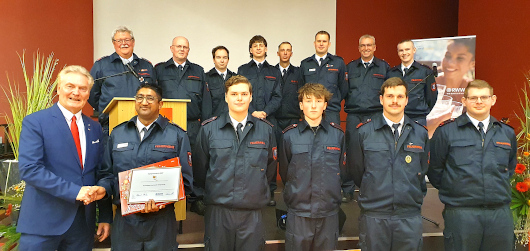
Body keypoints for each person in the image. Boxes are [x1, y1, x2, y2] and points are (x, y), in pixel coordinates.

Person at [18, 65, 112, 250]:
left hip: (82, 226)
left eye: (83, 88)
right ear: (59, 88)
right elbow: (30, 169)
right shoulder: (35, 122)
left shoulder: (94, 129)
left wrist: (105, 216)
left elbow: (101, 172)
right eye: (70, 86)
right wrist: (75, 192)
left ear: (88, 93)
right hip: (42, 224)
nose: (76, 92)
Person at [99, 83, 193, 250]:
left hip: (161, 221)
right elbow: (106, 175)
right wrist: (103, 205)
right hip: (125, 221)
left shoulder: (177, 135)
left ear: (160, 104)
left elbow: (186, 181)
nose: (144, 102)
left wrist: (162, 201)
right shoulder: (118, 133)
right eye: (140, 98)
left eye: (150, 98)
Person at [428, 80, 516, 251]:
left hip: (499, 214)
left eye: (484, 97)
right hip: (462, 214)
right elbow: (435, 171)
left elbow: (509, 168)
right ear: (464, 101)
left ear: (493, 99)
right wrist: (455, 190)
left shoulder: (506, 132)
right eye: (473, 97)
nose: (479, 101)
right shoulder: (446, 131)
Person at [193, 75, 277, 251]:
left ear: (251, 97)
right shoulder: (208, 129)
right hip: (218, 212)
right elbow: (200, 170)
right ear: (226, 97)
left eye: (244, 94)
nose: (239, 98)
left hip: (252, 212)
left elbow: (270, 169)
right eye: (234, 94)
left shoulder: (266, 130)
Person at [351, 77, 429, 250]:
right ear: (381, 99)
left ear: (407, 100)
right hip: (375, 215)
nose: (395, 101)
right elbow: (357, 171)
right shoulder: (364, 132)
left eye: (400, 96)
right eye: (390, 96)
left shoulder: (420, 133)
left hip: (408, 215)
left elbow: (422, 170)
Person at [279, 83, 346, 251]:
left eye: (318, 100)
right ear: (301, 105)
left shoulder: (338, 135)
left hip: (328, 214)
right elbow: (285, 172)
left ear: (325, 105)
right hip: (298, 214)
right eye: (308, 101)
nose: (314, 105)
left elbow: (342, 170)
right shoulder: (289, 136)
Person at [343, 34, 390, 202]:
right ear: (359, 48)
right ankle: (348, 188)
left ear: (375, 47)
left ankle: (373, 187)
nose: (366, 48)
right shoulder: (350, 67)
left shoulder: (384, 67)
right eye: (362, 45)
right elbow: (343, 90)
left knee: (375, 151)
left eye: (369, 45)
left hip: (376, 115)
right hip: (354, 115)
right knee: (352, 152)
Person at [89, 26, 156, 140]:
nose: (123, 43)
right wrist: (106, 108)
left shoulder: (146, 65)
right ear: (113, 43)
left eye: (127, 40)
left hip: (143, 124)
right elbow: (91, 94)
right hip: (111, 125)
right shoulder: (102, 65)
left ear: (133, 42)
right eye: (119, 41)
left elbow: (155, 93)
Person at [238, 35, 282, 207]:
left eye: (261, 45)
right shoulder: (242, 70)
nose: (258, 48)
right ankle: (248, 190)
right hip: (247, 119)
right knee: (249, 154)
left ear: (266, 49)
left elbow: (278, 97)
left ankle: (270, 191)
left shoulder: (274, 71)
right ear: (250, 50)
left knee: (270, 156)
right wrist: (251, 112)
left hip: (268, 119)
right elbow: (240, 93)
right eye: (255, 45)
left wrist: (265, 111)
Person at [155, 36, 207, 152]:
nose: (182, 49)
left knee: (192, 161)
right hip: (166, 124)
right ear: (171, 48)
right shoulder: (160, 70)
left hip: (192, 127)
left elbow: (205, 100)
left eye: (185, 47)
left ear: (188, 50)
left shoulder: (198, 70)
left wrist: (204, 126)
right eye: (179, 46)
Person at [300, 30, 347, 125]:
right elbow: (301, 88)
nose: (321, 44)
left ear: (329, 44)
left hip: (331, 111)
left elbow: (344, 88)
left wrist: (332, 100)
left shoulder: (338, 62)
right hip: (310, 112)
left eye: (324, 41)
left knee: (332, 139)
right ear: (314, 43)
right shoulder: (305, 64)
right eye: (319, 41)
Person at [387, 39, 437, 126]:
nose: (404, 53)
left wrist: (422, 111)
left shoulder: (425, 72)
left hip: (418, 118)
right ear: (398, 53)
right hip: (395, 118)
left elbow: (432, 97)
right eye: (401, 50)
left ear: (414, 50)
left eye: (407, 49)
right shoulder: (391, 73)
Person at [204, 45, 235, 118]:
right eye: (218, 57)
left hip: (232, 120)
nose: (222, 60)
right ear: (213, 59)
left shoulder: (235, 78)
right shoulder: (206, 77)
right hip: (213, 120)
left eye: (225, 57)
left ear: (228, 59)